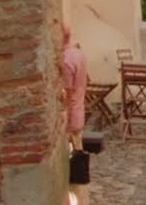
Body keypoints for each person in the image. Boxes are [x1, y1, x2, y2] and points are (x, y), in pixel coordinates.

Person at [60, 23, 89, 204]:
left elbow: (66, 93)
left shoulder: (66, 60)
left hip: (70, 119)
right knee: (78, 165)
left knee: (71, 171)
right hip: (80, 113)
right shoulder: (79, 54)